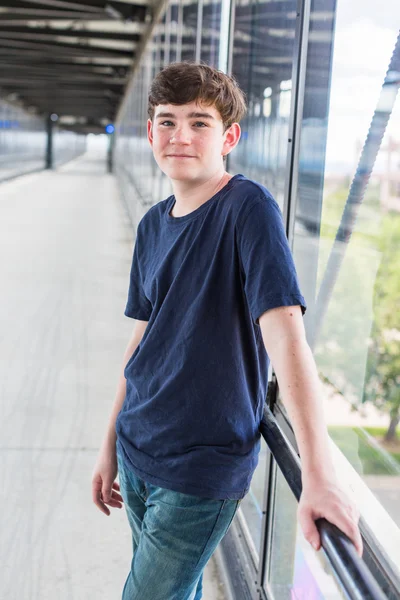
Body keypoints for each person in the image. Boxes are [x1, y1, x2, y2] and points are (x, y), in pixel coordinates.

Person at [91, 62, 362, 600]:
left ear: (229, 135)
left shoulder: (248, 209)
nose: (180, 136)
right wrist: (108, 444)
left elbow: (286, 340)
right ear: (149, 134)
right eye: (167, 122)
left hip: (201, 466)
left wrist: (319, 473)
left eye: (199, 122)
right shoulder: (152, 224)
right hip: (138, 448)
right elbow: (140, 344)